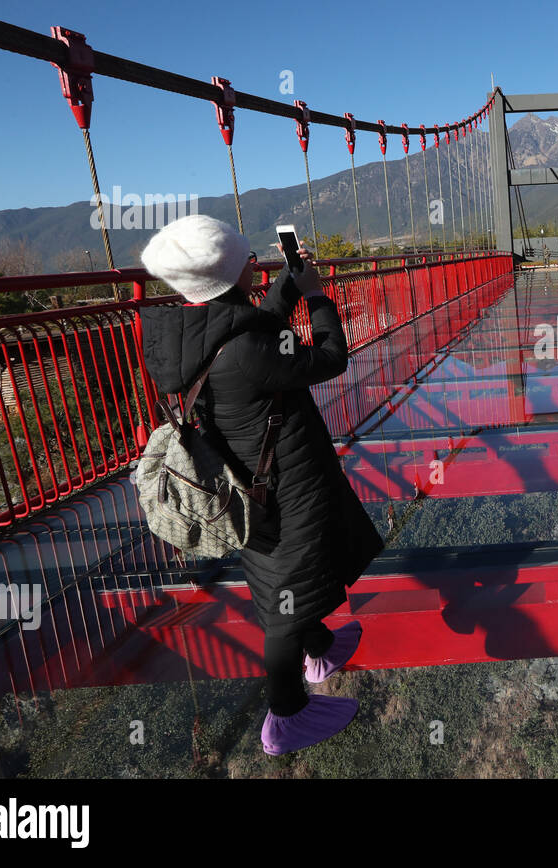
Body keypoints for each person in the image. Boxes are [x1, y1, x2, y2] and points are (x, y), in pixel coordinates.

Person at [138, 214, 384, 755]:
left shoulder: (186, 335)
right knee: (285, 601)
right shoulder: (250, 350)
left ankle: (319, 648)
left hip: (247, 482)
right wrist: (317, 297)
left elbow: (247, 330)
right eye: (247, 261)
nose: (255, 265)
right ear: (229, 275)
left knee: (287, 577)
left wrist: (286, 285)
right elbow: (331, 356)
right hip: (285, 483)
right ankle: (287, 715)